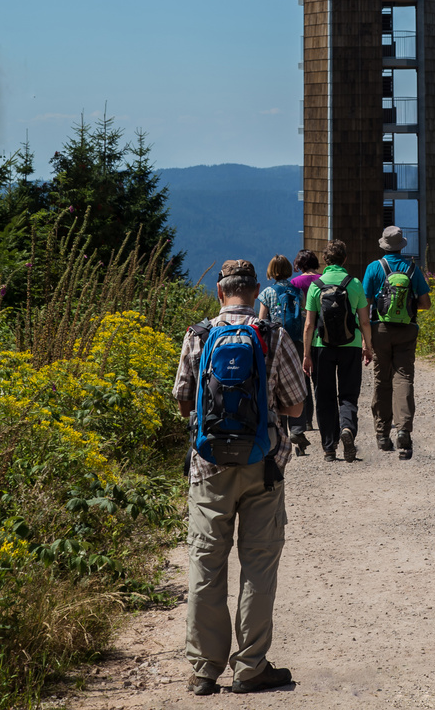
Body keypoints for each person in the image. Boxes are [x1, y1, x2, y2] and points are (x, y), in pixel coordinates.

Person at [173, 259, 306, 696]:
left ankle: (205, 670)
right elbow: (296, 406)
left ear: (219, 292)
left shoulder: (198, 335)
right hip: (262, 465)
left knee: (206, 564)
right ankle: (250, 667)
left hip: (209, 468)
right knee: (258, 565)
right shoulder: (273, 335)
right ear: (254, 292)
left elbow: (184, 401)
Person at [362, 226, 431, 460]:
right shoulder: (412, 269)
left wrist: (365, 339)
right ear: (402, 246)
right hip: (407, 329)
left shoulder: (374, 268)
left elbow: (365, 304)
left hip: (380, 329)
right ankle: (403, 429)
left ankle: (382, 434)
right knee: (403, 377)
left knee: (382, 379)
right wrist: (407, 306)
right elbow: (426, 303)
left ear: (383, 245)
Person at [303, 239, 373, 462]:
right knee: (348, 394)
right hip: (350, 346)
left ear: (325, 260)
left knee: (324, 396)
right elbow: (364, 322)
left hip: (321, 347)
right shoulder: (354, 284)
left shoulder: (316, 285)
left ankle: (329, 448)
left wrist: (306, 355)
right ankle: (347, 429)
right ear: (345, 259)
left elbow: (309, 325)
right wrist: (367, 347)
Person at [258, 255, 308, 452]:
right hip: (295, 342)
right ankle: (298, 428)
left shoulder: (268, 292)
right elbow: (303, 316)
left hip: (274, 343)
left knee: (276, 384)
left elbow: (261, 321)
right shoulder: (297, 290)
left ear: (272, 270)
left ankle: (282, 432)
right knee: (296, 383)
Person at [290, 250, 322, 432]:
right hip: (321, 333)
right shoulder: (322, 279)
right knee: (319, 379)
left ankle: (307, 419)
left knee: (304, 380)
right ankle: (323, 417)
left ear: (299, 264)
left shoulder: (295, 283)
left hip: (301, 333)